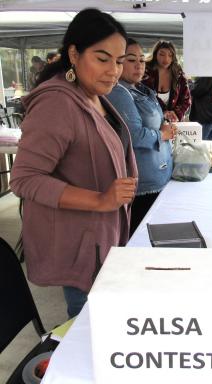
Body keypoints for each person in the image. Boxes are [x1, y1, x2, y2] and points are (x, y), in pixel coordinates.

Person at [10, 8, 138, 319]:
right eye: (102, 58)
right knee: (90, 329)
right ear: (74, 53)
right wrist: (100, 199)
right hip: (81, 247)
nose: (113, 70)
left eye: (119, 61)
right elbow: (24, 178)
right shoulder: (58, 102)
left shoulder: (92, 94)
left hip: (102, 239)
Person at [106, 38, 175, 235]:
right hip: (143, 185)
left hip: (158, 177)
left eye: (142, 60)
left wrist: (164, 120)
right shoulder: (119, 92)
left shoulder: (139, 89)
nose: (139, 65)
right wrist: (162, 133)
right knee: (143, 238)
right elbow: (134, 135)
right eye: (131, 60)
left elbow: (152, 120)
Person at [142, 40, 191, 122]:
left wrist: (176, 114)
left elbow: (186, 100)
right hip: (149, 122)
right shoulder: (146, 72)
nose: (166, 59)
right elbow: (144, 96)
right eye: (161, 54)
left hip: (172, 124)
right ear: (155, 54)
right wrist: (163, 112)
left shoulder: (178, 75)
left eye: (170, 55)